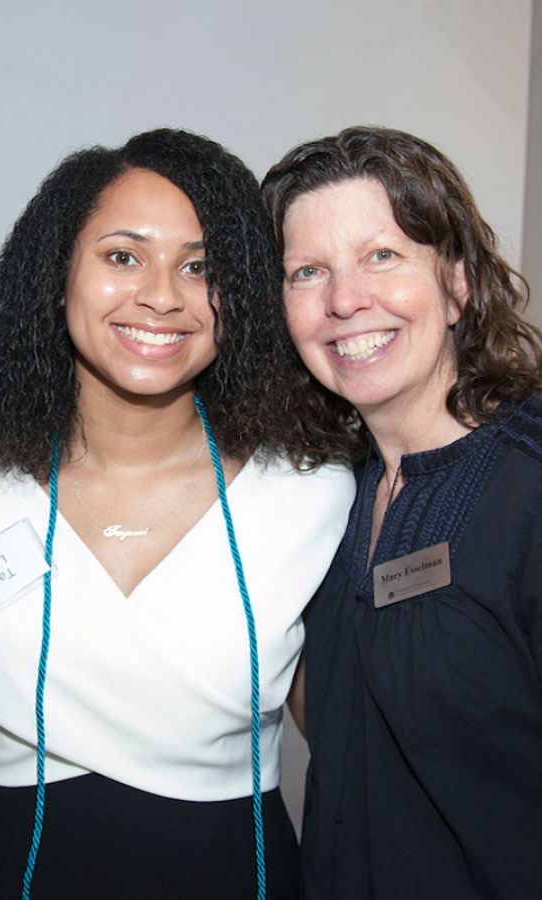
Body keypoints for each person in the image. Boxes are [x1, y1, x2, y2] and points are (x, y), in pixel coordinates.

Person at [0, 128, 354, 899]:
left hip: (233, 872)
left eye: (200, 266)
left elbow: (364, 739)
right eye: (123, 256)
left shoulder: (312, 494)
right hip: (3, 870)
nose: (161, 295)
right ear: (58, 274)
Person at [261, 126, 542, 899]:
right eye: (308, 271)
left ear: (456, 283)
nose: (346, 300)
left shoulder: (528, 490)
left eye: (382, 255)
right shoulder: (330, 497)